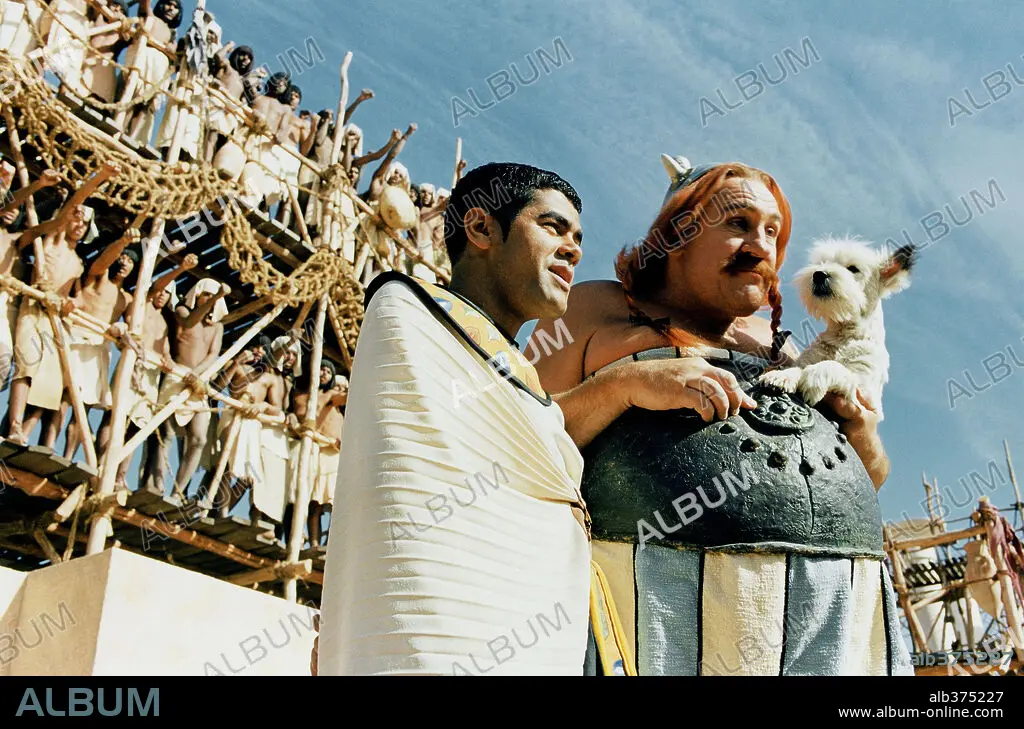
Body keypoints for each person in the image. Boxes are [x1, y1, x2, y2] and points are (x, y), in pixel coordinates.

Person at [531, 154, 912, 676]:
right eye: (738, 224)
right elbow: (519, 439)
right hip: (650, 618)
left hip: (823, 621)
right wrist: (623, 386)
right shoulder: (593, 307)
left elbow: (870, 477)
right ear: (678, 233)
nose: (761, 247)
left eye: (772, 232)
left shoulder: (782, 348)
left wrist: (862, 434)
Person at [317, 162, 590, 676]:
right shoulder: (409, 310)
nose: (573, 249)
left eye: (578, 238)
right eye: (553, 227)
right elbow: (406, 492)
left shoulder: (523, 379)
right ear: (482, 227)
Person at [7, 164, 117, 446]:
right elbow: (71, 206)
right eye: (76, 220)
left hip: (56, 319)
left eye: (84, 224)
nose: (79, 226)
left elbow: (78, 297)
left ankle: (23, 432)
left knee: (52, 379)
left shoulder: (78, 262)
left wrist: (73, 303)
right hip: (35, 307)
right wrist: (100, 178)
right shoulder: (52, 241)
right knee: (26, 367)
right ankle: (14, 424)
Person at [61, 218, 141, 460]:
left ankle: (67, 457)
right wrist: (123, 242)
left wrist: (121, 328)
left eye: (130, 261)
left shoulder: (127, 299)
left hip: (99, 349)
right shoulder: (99, 276)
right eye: (122, 258)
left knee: (83, 407)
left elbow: (132, 327)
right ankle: (46, 445)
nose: (125, 263)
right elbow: (103, 260)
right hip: (77, 339)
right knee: (64, 397)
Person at [153, 277, 229, 500]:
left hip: (197, 382)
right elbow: (188, 323)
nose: (210, 300)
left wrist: (197, 374)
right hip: (176, 376)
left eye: (213, 297)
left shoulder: (217, 328)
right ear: (197, 295)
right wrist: (216, 297)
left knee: (198, 440)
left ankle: (178, 492)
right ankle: (157, 487)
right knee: (166, 433)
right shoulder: (182, 311)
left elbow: (213, 354)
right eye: (206, 295)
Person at [131, 253, 197, 492]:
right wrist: (180, 267)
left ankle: (147, 482)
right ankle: (115, 473)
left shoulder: (167, 321)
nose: (162, 294)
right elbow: (153, 287)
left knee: (144, 428)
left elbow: (167, 350)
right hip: (137, 368)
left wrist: (168, 360)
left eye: (167, 292)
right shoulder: (144, 305)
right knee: (124, 422)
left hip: (155, 377)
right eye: (161, 290)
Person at [214, 337, 287, 522]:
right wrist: (236, 362)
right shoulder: (237, 366)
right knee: (227, 465)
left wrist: (263, 406)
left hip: (252, 423)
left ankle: (224, 508)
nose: (258, 352)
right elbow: (218, 386)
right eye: (255, 348)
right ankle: (221, 513)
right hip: (232, 415)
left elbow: (277, 408)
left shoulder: (270, 378)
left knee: (248, 475)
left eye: (263, 349)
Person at [286, 361, 345, 547]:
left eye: (329, 371)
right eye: (322, 369)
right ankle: (313, 543)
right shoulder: (304, 394)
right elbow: (293, 411)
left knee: (336, 503)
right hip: (317, 452)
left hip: (333, 455)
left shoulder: (333, 400)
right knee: (314, 501)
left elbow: (347, 398)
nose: (324, 373)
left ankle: (331, 544)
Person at [122, 0, 182, 144]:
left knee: (147, 103)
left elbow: (178, 60)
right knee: (133, 95)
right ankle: (121, 128)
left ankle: (133, 138)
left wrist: (173, 50)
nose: (171, 9)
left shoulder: (172, 34)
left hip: (159, 69)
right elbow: (144, 4)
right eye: (169, 4)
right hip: (143, 60)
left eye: (175, 7)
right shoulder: (150, 17)